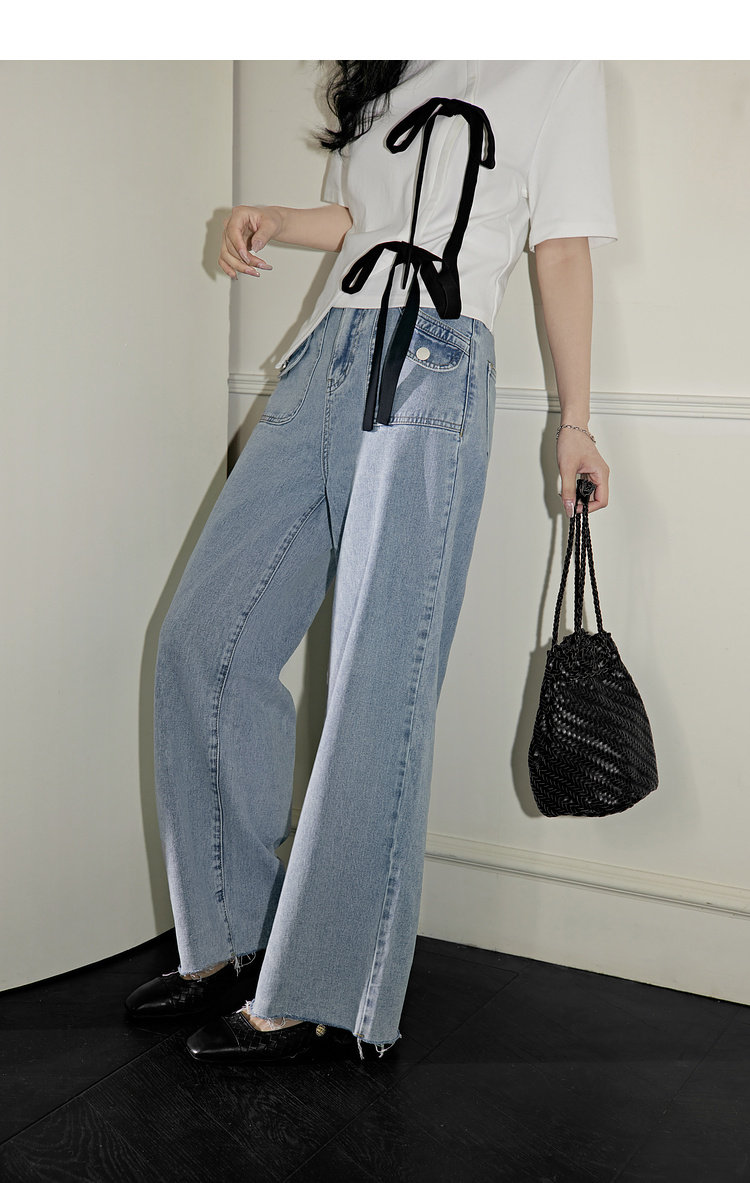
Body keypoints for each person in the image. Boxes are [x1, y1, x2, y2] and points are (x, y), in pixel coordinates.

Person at [124, 60, 618, 1064]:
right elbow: (359, 221)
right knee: (204, 639)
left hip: (438, 359)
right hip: (325, 355)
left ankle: (325, 985)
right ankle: (234, 937)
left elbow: (560, 247)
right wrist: (274, 218)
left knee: (375, 678)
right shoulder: (386, 62)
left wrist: (576, 420)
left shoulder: (556, 61)